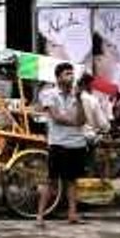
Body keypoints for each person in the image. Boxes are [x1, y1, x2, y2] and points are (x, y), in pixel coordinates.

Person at [36, 62, 87, 226]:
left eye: (72, 73)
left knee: (72, 181)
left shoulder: (77, 95)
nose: (71, 76)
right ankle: (40, 216)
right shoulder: (48, 94)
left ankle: (72, 214)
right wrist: (74, 122)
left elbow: (82, 119)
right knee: (51, 181)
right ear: (58, 77)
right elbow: (56, 117)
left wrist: (79, 98)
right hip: (58, 143)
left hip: (76, 143)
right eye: (67, 74)